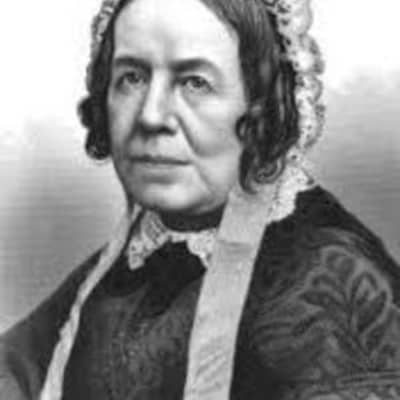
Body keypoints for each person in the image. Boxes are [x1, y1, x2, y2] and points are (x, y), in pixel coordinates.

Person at [1, 0, 400, 399]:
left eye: (194, 82)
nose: (151, 116)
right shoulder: (136, 254)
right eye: (131, 78)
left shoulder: (328, 274)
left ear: (265, 105)